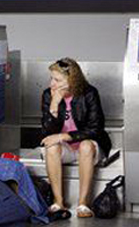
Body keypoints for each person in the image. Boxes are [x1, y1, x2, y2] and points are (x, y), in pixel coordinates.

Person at [41, 58, 112, 218]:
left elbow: (95, 129)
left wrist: (65, 135)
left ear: (71, 80)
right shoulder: (48, 94)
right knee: (51, 146)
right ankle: (58, 202)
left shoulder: (89, 93)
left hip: (89, 146)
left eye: (57, 80)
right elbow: (47, 131)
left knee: (85, 145)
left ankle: (83, 204)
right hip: (65, 149)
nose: (52, 83)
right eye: (51, 78)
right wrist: (54, 105)